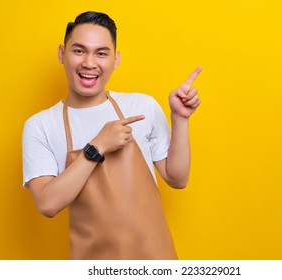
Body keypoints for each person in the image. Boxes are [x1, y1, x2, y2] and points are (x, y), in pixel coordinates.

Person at [22, 11, 201, 260]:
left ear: (115, 60)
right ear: (62, 53)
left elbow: (177, 178)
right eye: (79, 50)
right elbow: (48, 203)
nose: (89, 63)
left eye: (101, 53)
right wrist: (96, 147)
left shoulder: (142, 106)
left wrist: (180, 119)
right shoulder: (40, 125)